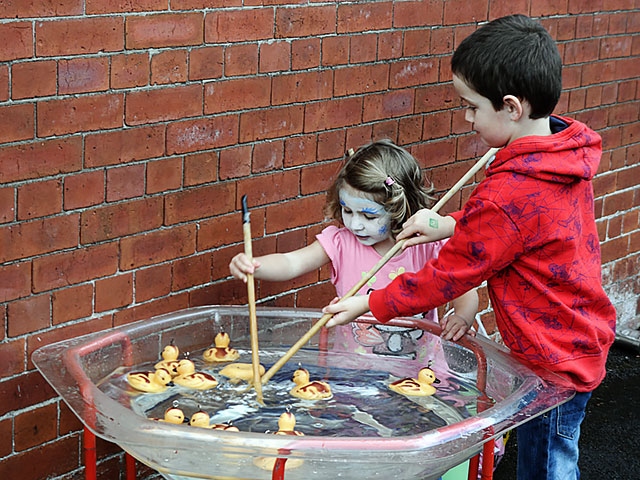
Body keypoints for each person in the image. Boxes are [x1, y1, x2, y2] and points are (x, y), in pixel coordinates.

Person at [322, 14, 616, 480]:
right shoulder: (558, 157)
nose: (467, 118)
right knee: (548, 453)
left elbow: (450, 276)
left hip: (553, 359)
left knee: (546, 465)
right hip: (573, 338)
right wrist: (446, 223)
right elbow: (518, 228)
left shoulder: (512, 190)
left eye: (472, 106)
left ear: (512, 107)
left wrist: (371, 302)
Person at [230, 139, 479, 362]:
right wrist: (254, 265)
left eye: (368, 215)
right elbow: (292, 262)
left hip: (421, 374)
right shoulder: (340, 242)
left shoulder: (426, 245)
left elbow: (463, 289)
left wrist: (462, 317)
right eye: (347, 211)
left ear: (400, 209)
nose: (355, 224)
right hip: (356, 374)